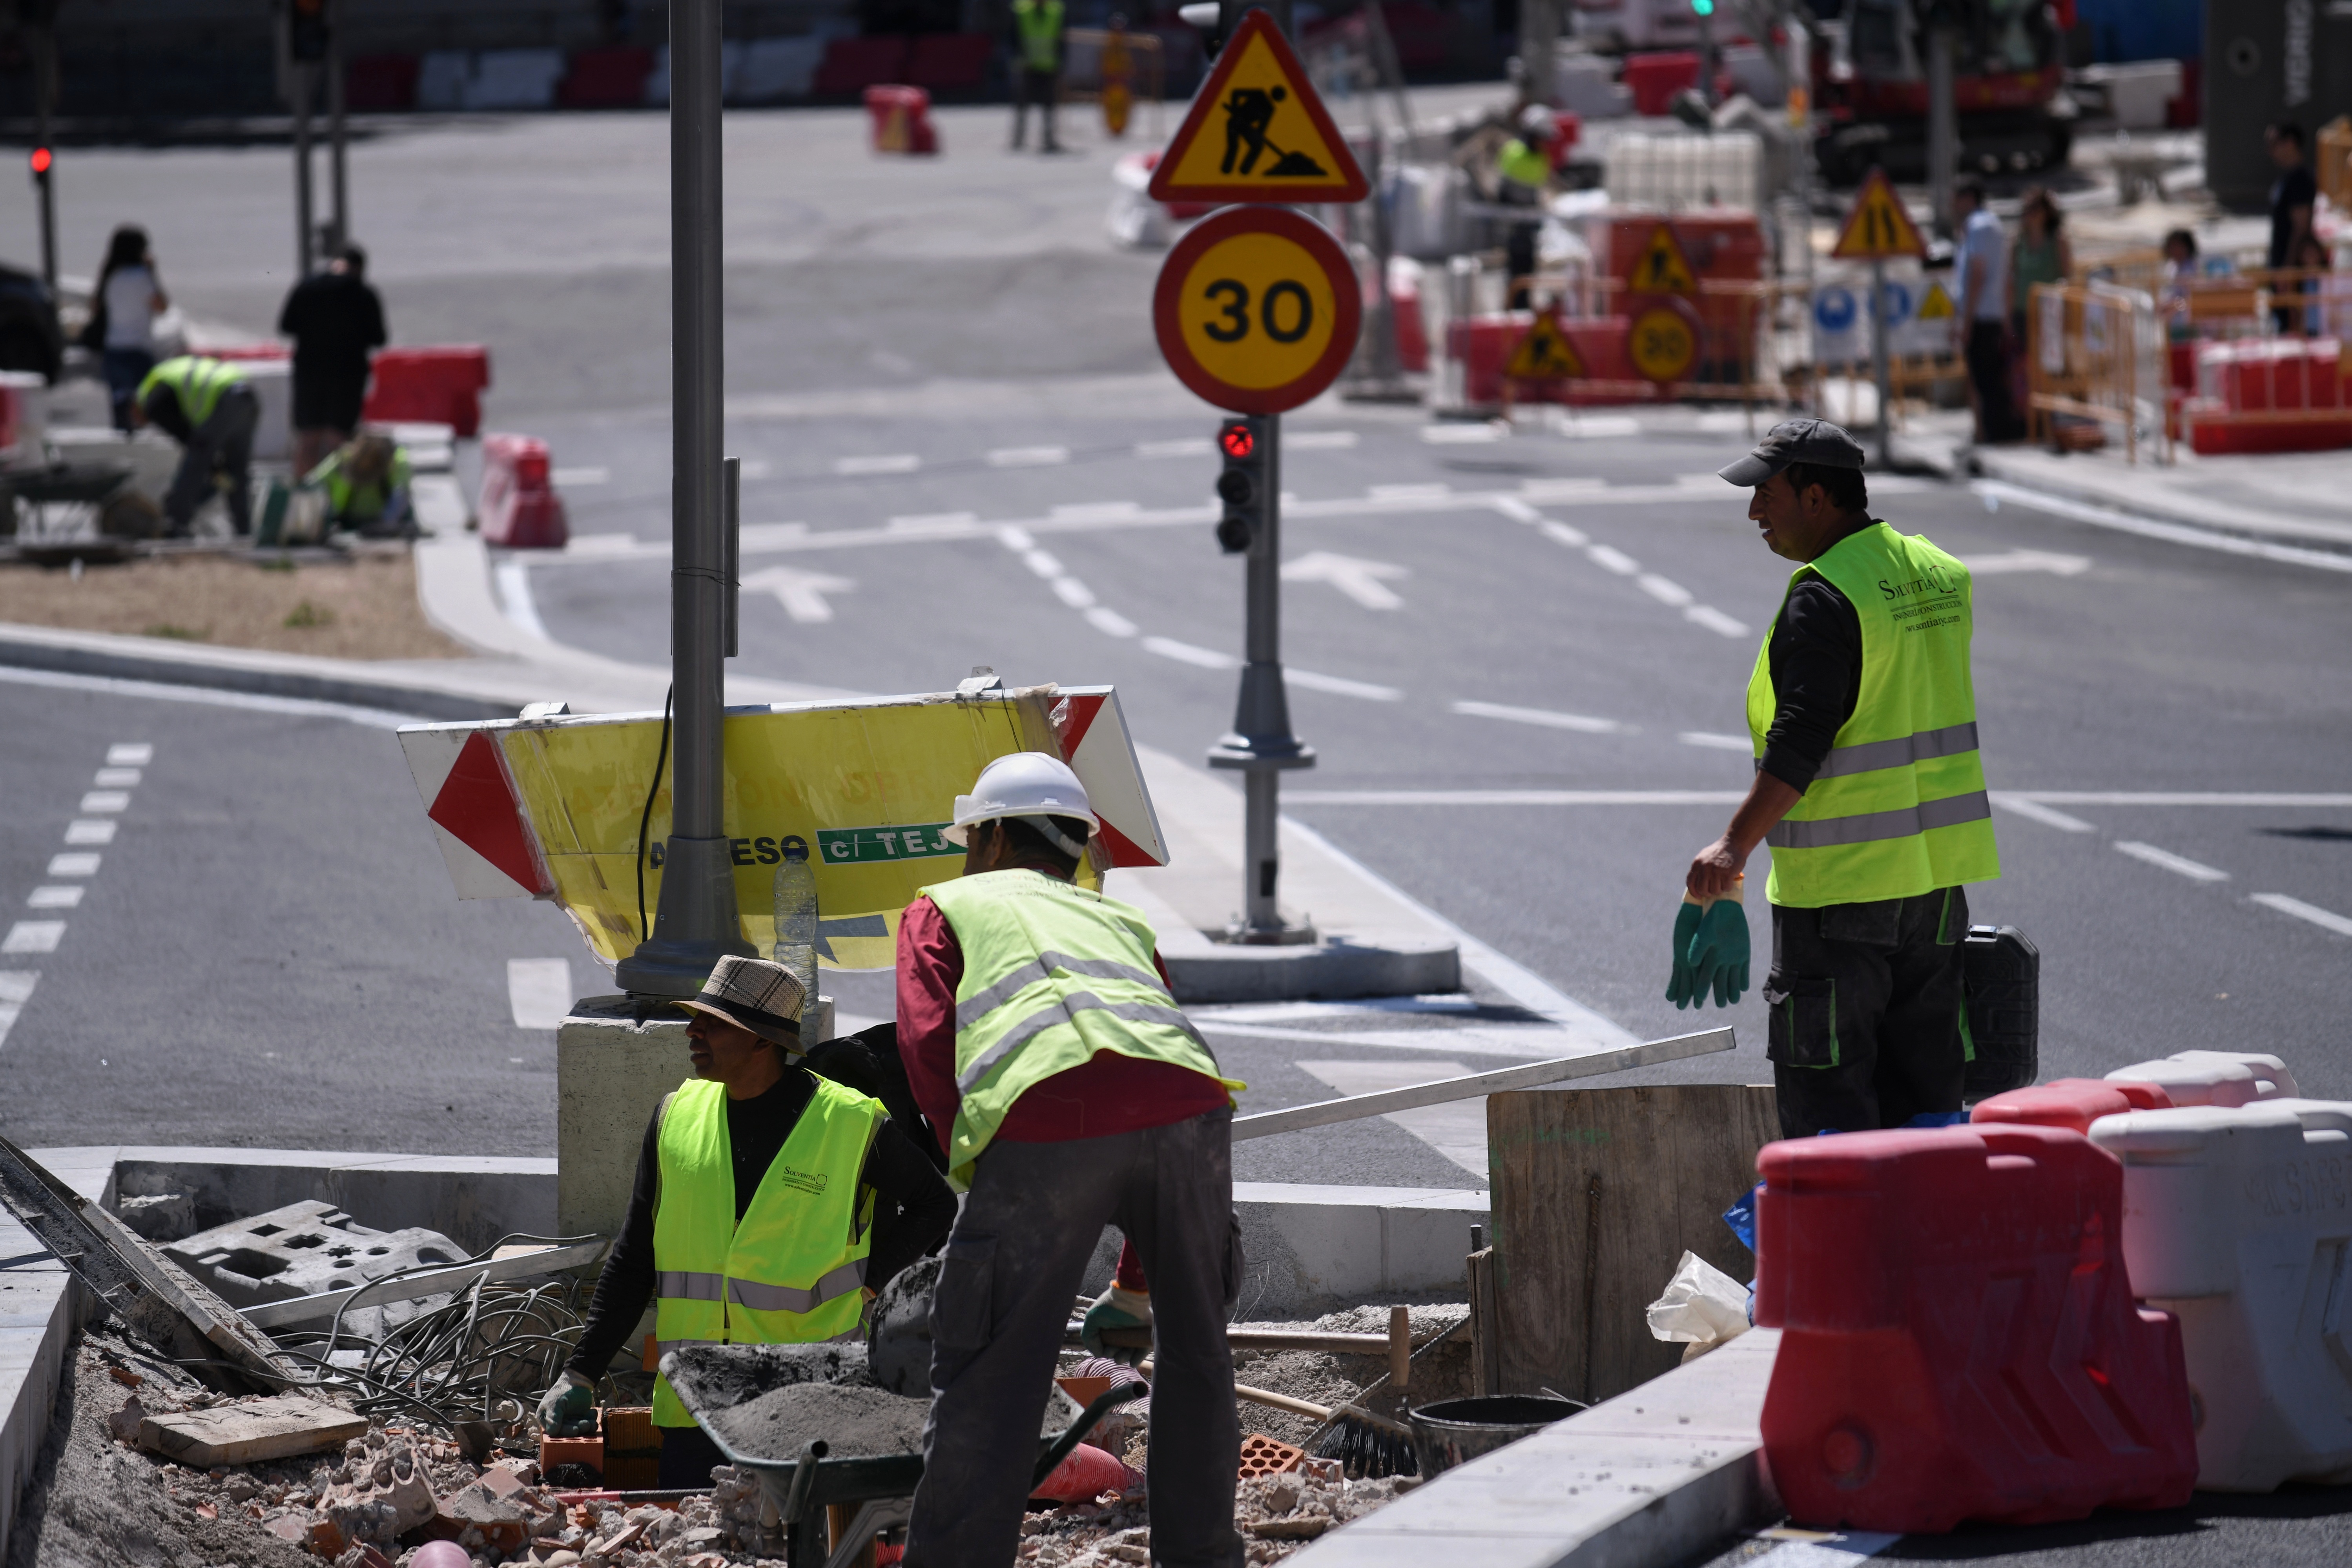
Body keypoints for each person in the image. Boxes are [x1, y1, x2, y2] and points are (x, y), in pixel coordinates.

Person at [898, 753, 1243, 1568]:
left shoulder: (946, 905)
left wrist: (981, 1170)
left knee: (993, 1371)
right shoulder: (1117, 921)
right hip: (1191, 1111)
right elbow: (1144, 1071)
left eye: (970, 840)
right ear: (1076, 846)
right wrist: (1134, 1286)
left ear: (989, 838)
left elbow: (927, 1044)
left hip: (1047, 1116)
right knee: (1198, 1358)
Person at [1686, 420, 2000, 1141]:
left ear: (1816, 497)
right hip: (1933, 891)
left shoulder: (1825, 597)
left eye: (1766, 495)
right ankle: (1929, 1215)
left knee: (1830, 1105)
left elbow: (1801, 740)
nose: (1753, 512)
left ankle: (1843, 1220)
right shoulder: (1938, 575)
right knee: (1926, 1098)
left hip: (1840, 896)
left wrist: (1733, 845)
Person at [537, 956, 957, 1489]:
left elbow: (935, 1203)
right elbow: (634, 1261)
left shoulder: (850, 1123)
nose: (692, 1031)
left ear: (763, 1040)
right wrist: (580, 1373)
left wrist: (869, 1283)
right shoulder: (675, 1118)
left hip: (808, 1403)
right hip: (695, 1408)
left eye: (713, 1022)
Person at [277, 242, 387, 477]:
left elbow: (286, 326)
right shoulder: (363, 294)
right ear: (359, 267)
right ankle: (337, 494)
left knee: (308, 438)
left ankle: (303, 491)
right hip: (348, 376)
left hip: (309, 373)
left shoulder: (307, 287)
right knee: (340, 441)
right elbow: (378, 338)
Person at [131, 355, 258, 538]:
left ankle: (175, 522)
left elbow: (188, 438)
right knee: (235, 471)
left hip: (225, 400)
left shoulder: (152, 399)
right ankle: (243, 530)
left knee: (196, 463)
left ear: (134, 406)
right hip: (247, 397)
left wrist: (211, 467)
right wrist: (215, 468)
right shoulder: (164, 376)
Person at [1950, 177, 2023, 445]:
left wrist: (1966, 322)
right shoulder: (1983, 226)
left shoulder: (1980, 227)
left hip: (1982, 316)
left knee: (1986, 380)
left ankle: (1996, 433)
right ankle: (1990, 432)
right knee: (1986, 378)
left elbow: (1977, 275)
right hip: (1987, 314)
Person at [87, 225, 169, 432]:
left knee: (121, 416)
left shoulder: (110, 276)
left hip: (113, 350)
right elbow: (162, 307)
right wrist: (153, 273)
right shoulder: (142, 277)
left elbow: (95, 307)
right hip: (138, 351)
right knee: (142, 415)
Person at [1497, 107, 1558, 310]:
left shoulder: (1540, 158)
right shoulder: (1515, 154)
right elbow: (1503, 192)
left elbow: (1537, 190)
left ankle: (1522, 308)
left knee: (1528, 268)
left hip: (1529, 223)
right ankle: (1515, 309)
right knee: (1516, 269)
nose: (1544, 144)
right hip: (1514, 225)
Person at [306, 431, 413, 537]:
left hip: (389, 525)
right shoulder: (342, 458)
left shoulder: (398, 461)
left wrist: (386, 523)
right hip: (345, 524)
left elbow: (401, 494)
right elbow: (311, 485)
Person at [2266, 121, 2317, 335]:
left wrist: (2288, 269)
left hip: (2291, 272)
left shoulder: (2300, 180)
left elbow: (2301, 227)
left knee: (2293, 331)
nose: (2270, 150)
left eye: (2274, 143)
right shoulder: (2286, 178)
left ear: (2290, 143)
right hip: (2280, 266)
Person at [1009, 0, 1065, 153]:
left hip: (1049, 66)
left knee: (1049, 105)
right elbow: (1013, 38)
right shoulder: (1021, 11)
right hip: (1027, 65)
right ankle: (1018, 139)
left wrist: (1062, 63)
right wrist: (1017, 59)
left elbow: (1061, 40)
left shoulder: (1056, 11)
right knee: (1022, 104)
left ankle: (1049, 138)